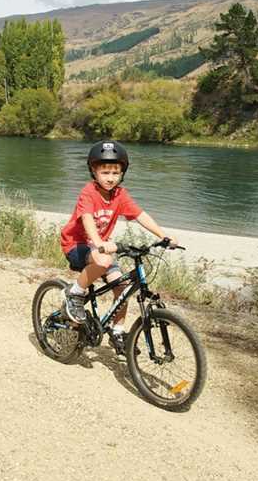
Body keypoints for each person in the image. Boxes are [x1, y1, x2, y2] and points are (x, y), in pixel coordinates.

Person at [59, 140, 175, 354]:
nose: (110, 177)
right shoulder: (89, 192)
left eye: (115, 172)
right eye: (105, 172)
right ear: (94, 171)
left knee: (122, 288)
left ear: (122, 173)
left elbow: (140, 215)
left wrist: (163, 235)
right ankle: (74, 293)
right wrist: (99, 242)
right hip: (77, 244)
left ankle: (118, 330)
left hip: (100, 247)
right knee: (104, 260)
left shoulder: (120, 195)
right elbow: (86, 218)